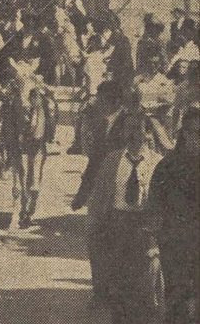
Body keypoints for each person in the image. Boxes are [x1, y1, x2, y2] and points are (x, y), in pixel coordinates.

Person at [86, 109, 164, 323]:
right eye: (128, 129)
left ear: (147, 133)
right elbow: (98, 198)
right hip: (117, 227)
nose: (132, 134)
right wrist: (95, 229)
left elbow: (164, 203)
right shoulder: (112, 161)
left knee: (146, 290)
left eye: (137, 129)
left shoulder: (158, 163)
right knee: (117, 288)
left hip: (145, 230)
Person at [147, 104, 200, 324]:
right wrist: (155, 242)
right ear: (184, 133)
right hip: (176, 247)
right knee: (177, 304)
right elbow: (154, 208)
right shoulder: (167, 167)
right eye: (196, 133)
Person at [71, 80, 127, 210]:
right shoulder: (103, 123)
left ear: (116, 102)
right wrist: (81, 196)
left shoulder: (128, 121)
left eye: (101, 100)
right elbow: (94, 162)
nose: (97, 104)